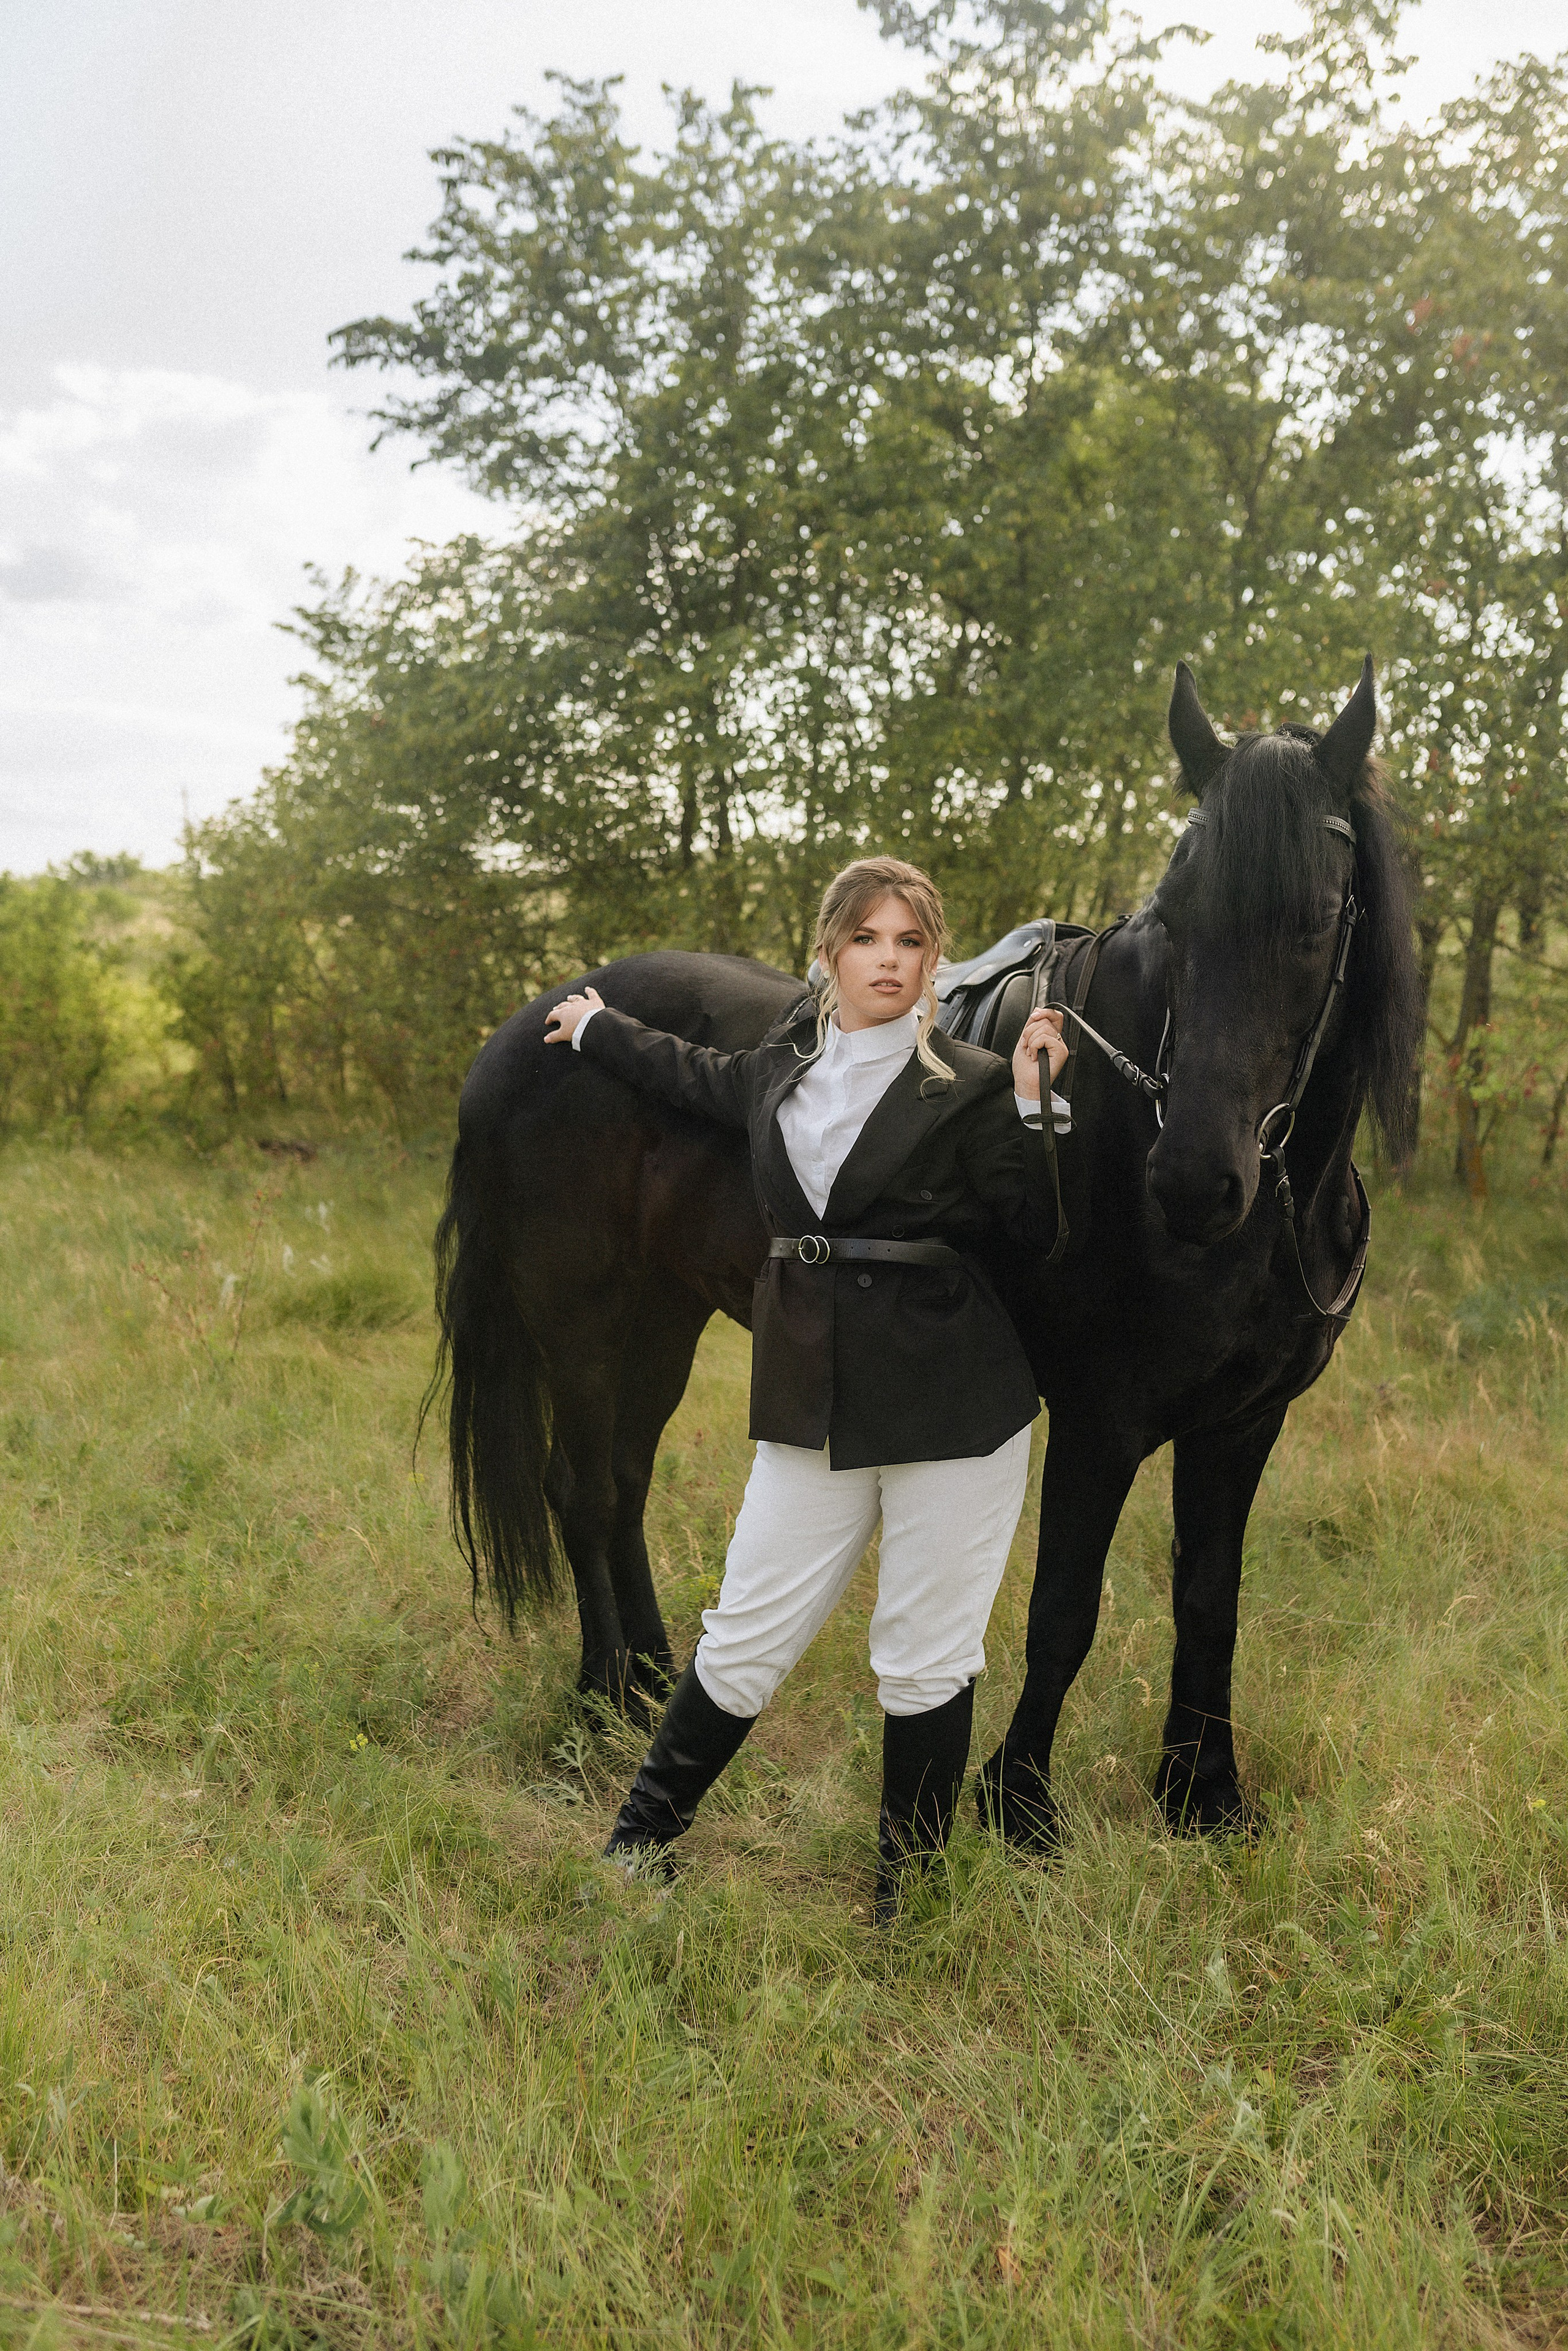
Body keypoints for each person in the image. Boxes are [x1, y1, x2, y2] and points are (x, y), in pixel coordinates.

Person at [544, 857, 1068, 1920]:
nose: (889, 959)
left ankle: (906, 1901)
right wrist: (599, 1026)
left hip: (951, 1408)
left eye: (911, 941)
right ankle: (637, 1845)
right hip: (812, 1393)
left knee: (923, 1654)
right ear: (829, 952)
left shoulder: (967, 1083)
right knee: (747, 1626)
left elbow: (1035, 1234)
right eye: (869, 938)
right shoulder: (779, 1066)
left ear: (933, 963)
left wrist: (1032, 1109)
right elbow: (686, 1069)